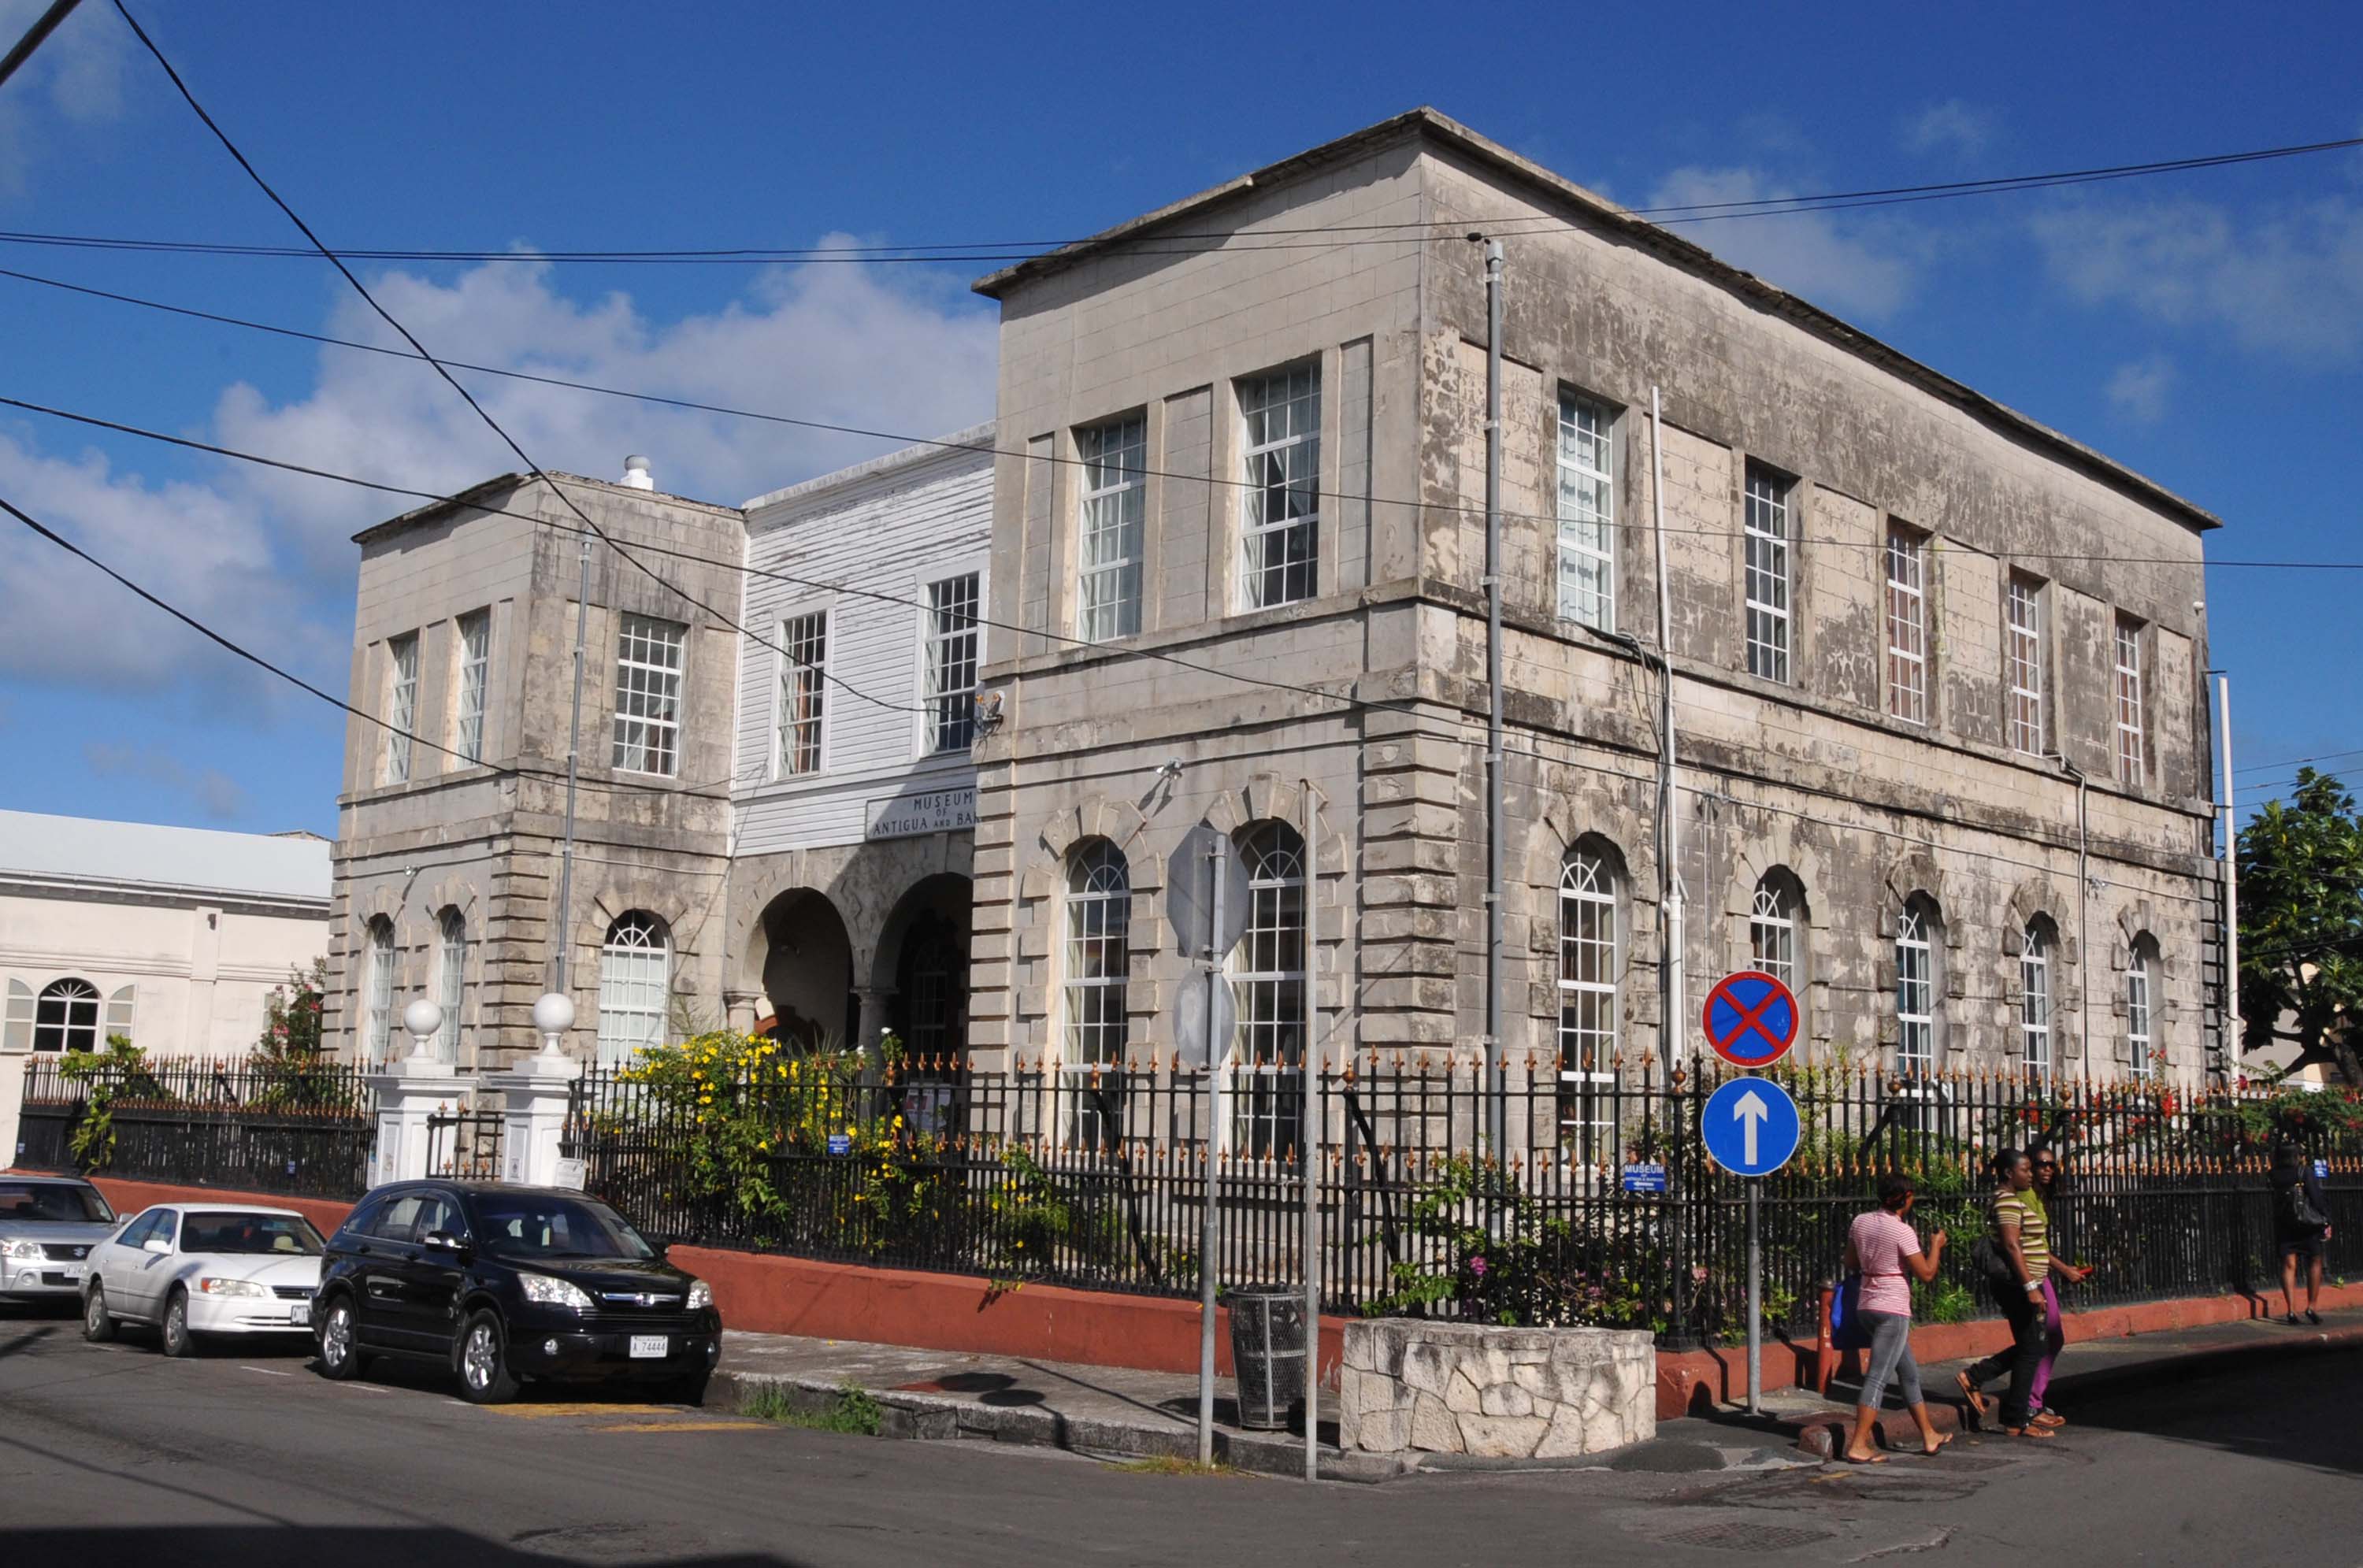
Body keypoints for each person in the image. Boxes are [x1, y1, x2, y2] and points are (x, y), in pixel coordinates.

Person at [1840, 1171, 1952, 1462]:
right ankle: (1858, 1444)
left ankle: (1928, 1434)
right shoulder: (1902, 1231)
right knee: (1877, 1377)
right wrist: (1936, 1246)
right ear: (1906, 1199)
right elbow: (1926, 1273)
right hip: (1893, 1309)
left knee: (1909, 1373)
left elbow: (1850, 1261)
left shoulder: (1860, 1221)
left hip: (1867, 1304)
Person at [1956, 1149, 2053, 1438]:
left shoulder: (2010, 1199)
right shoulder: (2008, 1201)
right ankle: (2014, 1417)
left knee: (2031, 1347)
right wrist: (2030, 1287)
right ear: (2009, 1173)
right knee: (2032, 1348)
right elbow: (2012, 1246)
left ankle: (2004, 1405)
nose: (2031, 1174)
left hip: (2025, 1283)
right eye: (2025, 1170)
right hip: (2017, 1286)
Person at [2024, 1145, 2091, 1429]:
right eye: (2041, 1164)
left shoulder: (2039, 1197)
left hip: (2041, 1273)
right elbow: (2025, 1244)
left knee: (2051, 1337)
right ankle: (2029, 1402)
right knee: (2043, 1338)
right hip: (2030, 1275)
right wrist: (2064, 1268)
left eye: (2052, 1165)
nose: (2047, 1169)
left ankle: (2033, 1400)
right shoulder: (2024, 1197)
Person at [2271, 1141, 2333, 1325]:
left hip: (2284, 1224)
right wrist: (2327, 1219)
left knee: (2289, 1264)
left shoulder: (2273, 1174)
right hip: (2307, 1224)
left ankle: (2291, 1310)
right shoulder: (2303, 1172)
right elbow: (2316, 1197)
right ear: (2296, 1155)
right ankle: (2311, 1306)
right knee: (2315, 1260)